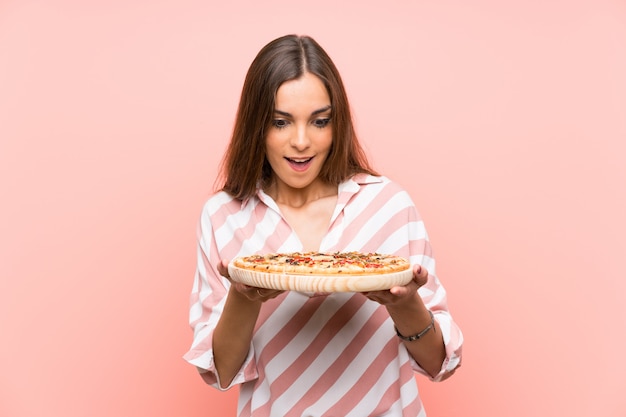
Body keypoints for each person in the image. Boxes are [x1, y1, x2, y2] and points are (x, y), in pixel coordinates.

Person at [184, 34, 463, 417]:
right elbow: (221, 372)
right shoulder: (224, 215)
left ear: (338, 123)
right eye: (280, 122)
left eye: (320, 121)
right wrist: (243, 298)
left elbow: (438, 365)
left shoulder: (387, 204)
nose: (301, 141)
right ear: (256, 126)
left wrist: (406, 303)